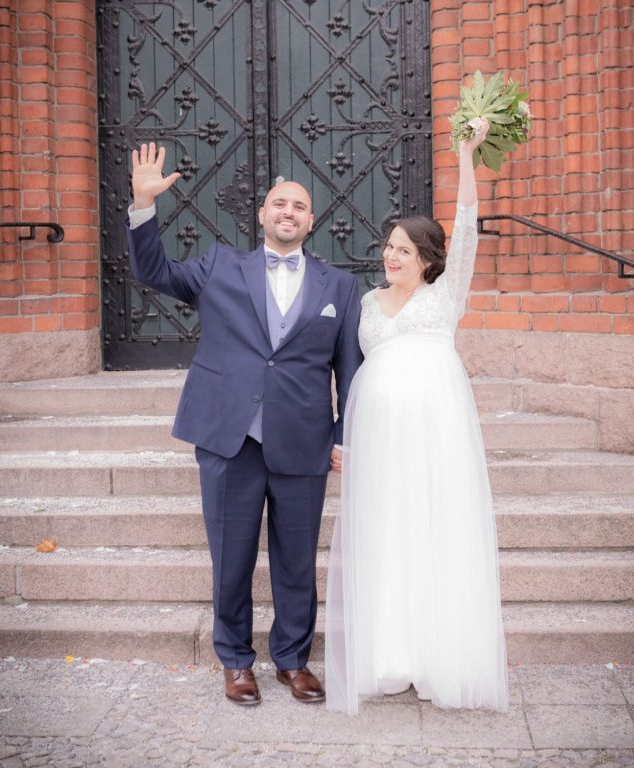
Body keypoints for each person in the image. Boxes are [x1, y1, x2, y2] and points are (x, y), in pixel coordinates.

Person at [126, 143, 363, 706]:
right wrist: (142, 203)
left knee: (296, 561)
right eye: (279, 203)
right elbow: (152, 271)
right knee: (231, 557)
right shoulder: (218, 266)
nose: (288, 212)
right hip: (230, 437)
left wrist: (343, 438)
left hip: (303, 442)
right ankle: (235, 660)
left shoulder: (340, 286)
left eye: (299, 206)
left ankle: (292, 660)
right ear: (261, 214)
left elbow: (349, 371)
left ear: (311, 220)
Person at [325, 119, 509, 713]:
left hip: (436, 433)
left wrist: (464, 155)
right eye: (388, 248)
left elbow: (466, 231)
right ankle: (390, 655)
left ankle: (439, 656)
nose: (391, 256)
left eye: (404, 250)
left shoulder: (445, 295)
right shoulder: (366, 302)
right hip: (379, 437)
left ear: (428, 260)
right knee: (387, 532)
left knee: (434, 529)